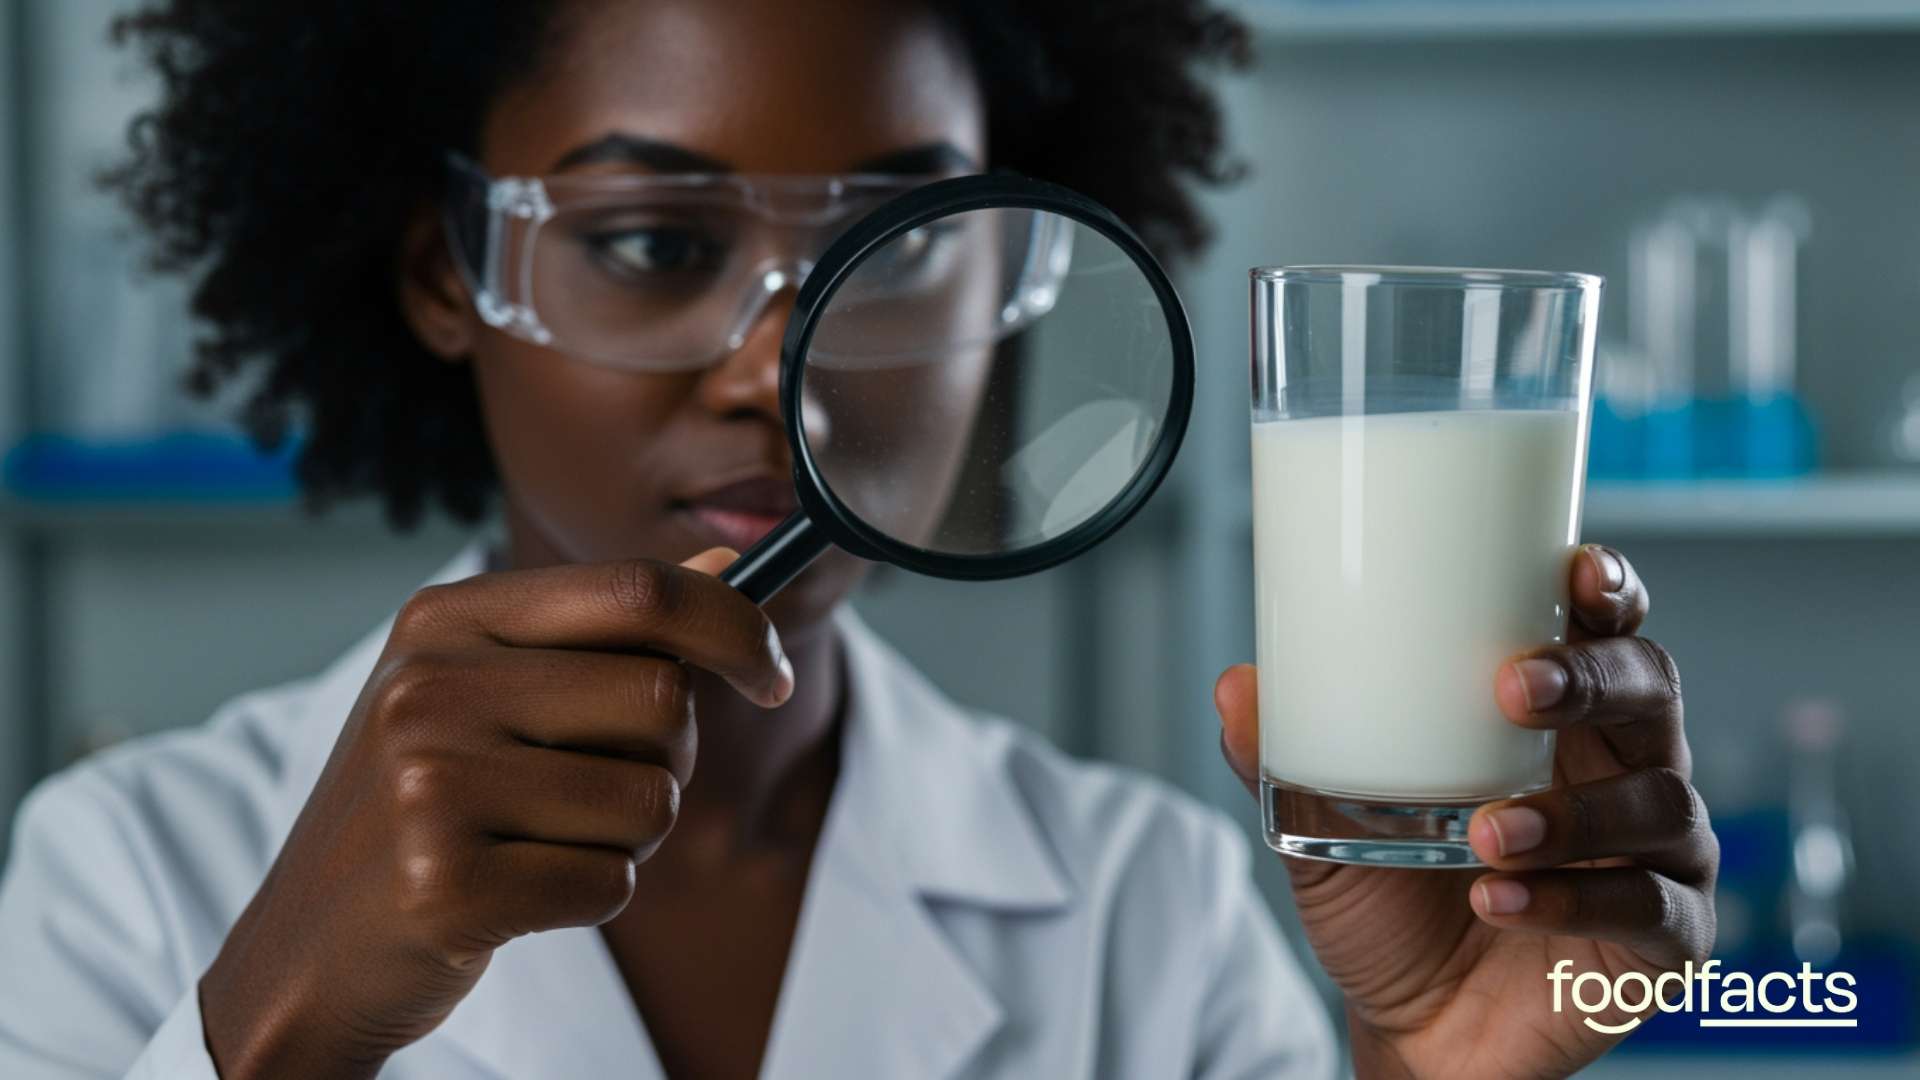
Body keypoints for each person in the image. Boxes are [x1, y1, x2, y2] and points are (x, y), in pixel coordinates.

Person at [0, 1, 1718, 1077]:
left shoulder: (1153, 909)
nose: (780, 374)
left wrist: (1432, 1072)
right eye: (660, 240)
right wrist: (284, 1036)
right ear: (452, 277)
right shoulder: (129, 877)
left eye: (898, 246)